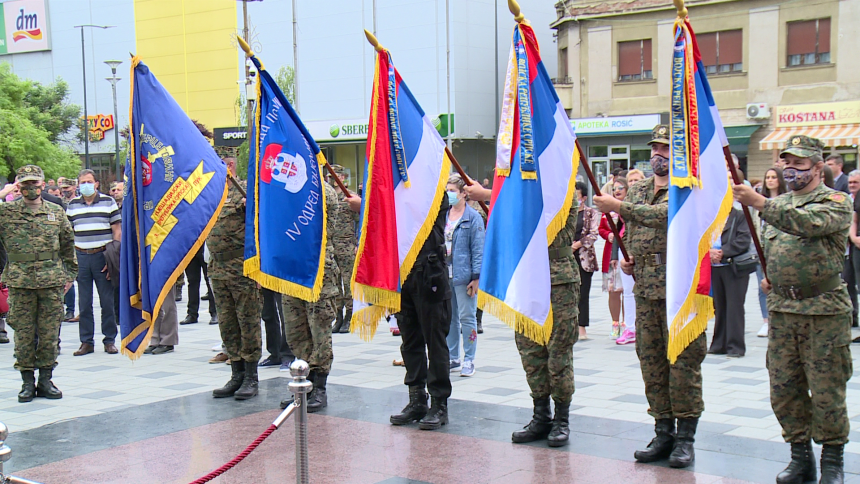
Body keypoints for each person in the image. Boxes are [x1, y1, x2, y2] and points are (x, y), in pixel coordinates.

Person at [733, 135, 852, 484]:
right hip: (784, 311)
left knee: (827, 389)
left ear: (818, 168)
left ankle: (832, 460)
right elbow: (775, 248)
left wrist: (758, 202)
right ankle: (800, 456)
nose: (790, 170)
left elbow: (809, 224)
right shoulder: (779, 204)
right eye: (786, 163)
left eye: (798, 164)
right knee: (785, 388)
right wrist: (773, 277)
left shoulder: (836, 201)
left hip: (823, 311)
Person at [593, 125, 704, 468]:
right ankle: (663, 431)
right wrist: (631, 259)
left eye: (666, 149)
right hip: (646, 289)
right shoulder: (639, 188)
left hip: (680, 292)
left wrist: (619, 205)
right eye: (655, 148)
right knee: (652, 362)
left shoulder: (686, 188)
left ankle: (685, 437)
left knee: (683, 365)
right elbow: (634, 230)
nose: (659, 155)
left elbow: (663, 216)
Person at [0, 165, 77, 402]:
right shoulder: (6, 212)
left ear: (42, 185)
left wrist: (69, 276)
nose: (30, 188)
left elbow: (67, 245)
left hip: (51, 281)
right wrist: (3, 194)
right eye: (24, 184)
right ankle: (26, 382)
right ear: (18, 186)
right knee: (23, 334)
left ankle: (45, 380)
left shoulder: (56, 211)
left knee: (49, 334)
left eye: (34, 183)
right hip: (20, 282)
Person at [388, 196, 454, 431]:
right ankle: (417, 399)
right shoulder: (399, 190)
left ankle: (439, 403)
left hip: (429, 274)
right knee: (410, 341)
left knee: (435, 342)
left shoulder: (433, 189)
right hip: (402, 273)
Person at [281, 181, 340, 412]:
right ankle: (303, 386)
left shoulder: (320, 189)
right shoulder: (286, 188)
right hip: (291, 270)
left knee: (319, 332)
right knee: (296, 332)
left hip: (318, 270)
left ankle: (320, 388)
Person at [209, 158, 263, 400]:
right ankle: (236, 373)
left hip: (241, 267)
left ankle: (251, 375)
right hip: (217, 266)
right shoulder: (208, 195)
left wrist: (251, 204)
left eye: (223, 164)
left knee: (248, 322)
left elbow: (262, 219)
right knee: (227, 323)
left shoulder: (244, 191)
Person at [67, 169, 121, 356]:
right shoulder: (73, 205)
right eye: (82, 182)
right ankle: (86, 341)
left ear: (96, 183)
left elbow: (117, 231)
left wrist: (113, 257)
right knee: (84, 302)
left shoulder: (108, 202)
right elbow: (68, 232)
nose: (86, 185)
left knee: (107, 301)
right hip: (81, 255)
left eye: (89, 181)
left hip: (102, 255)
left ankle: (109, 340)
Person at [444, 174, 485, 377]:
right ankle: (453, 357)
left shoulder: (473, 217)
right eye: (447, 190)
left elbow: (478, 249)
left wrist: (476, 276)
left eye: (452, 191)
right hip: (445, 275)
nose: (448, 194)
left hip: (464, 276)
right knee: (449, 317)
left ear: (462, 193)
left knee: (467, 317)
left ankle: (469, 359)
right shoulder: (443, 215)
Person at [707, 205, 752, 358]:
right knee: (719, 306)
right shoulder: (708, 215)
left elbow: (744, 239)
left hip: (734, 267)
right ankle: (719, 344)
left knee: (734, 306)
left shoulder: (739, 216)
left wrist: (723, 252)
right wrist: (709, 252)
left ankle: (735, 346)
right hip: (714, 266)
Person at [755, 168, 787, 337]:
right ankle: (765, 320)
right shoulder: (759, 200)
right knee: (762, 285)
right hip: (762, 248)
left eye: (774, 177)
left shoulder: (785, 201)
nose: (770, 180)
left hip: (779, 249)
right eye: (768, 177)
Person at [328, 164, 359, 334]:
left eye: (337, 177)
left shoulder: (350, 197)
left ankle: (349, 315)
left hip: (347, 245)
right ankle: (338, 315)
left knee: (348, 283)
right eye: (331, 178)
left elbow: (360, 221)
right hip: (332, 246)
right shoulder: (327, 197)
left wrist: (358, 244)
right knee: (334, 283)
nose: (333, 181)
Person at [598, 179, 628, 340]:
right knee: (613, 291)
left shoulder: (631, 209)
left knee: (628, 292)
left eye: (620, 188)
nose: (617, 191)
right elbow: (601, 228)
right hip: (611, 255)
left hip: (627, 255)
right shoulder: (607, 210)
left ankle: (627, 322)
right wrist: (607, 234)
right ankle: (615, 322)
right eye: (614, 188)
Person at [572, 182, 599, 337]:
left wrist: (577, 245)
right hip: (566, 257)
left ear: (584, 197)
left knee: (583, 292)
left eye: (577, 194)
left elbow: (593, 234)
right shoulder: (565, 213)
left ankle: (582, 326)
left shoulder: (591, 213)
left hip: (584, 257)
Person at [181, 246, 218, 325]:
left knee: (209, 280)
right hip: (190, 247)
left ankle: (214, 312)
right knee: (192, 281)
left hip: (205, 246)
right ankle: (192, 314)